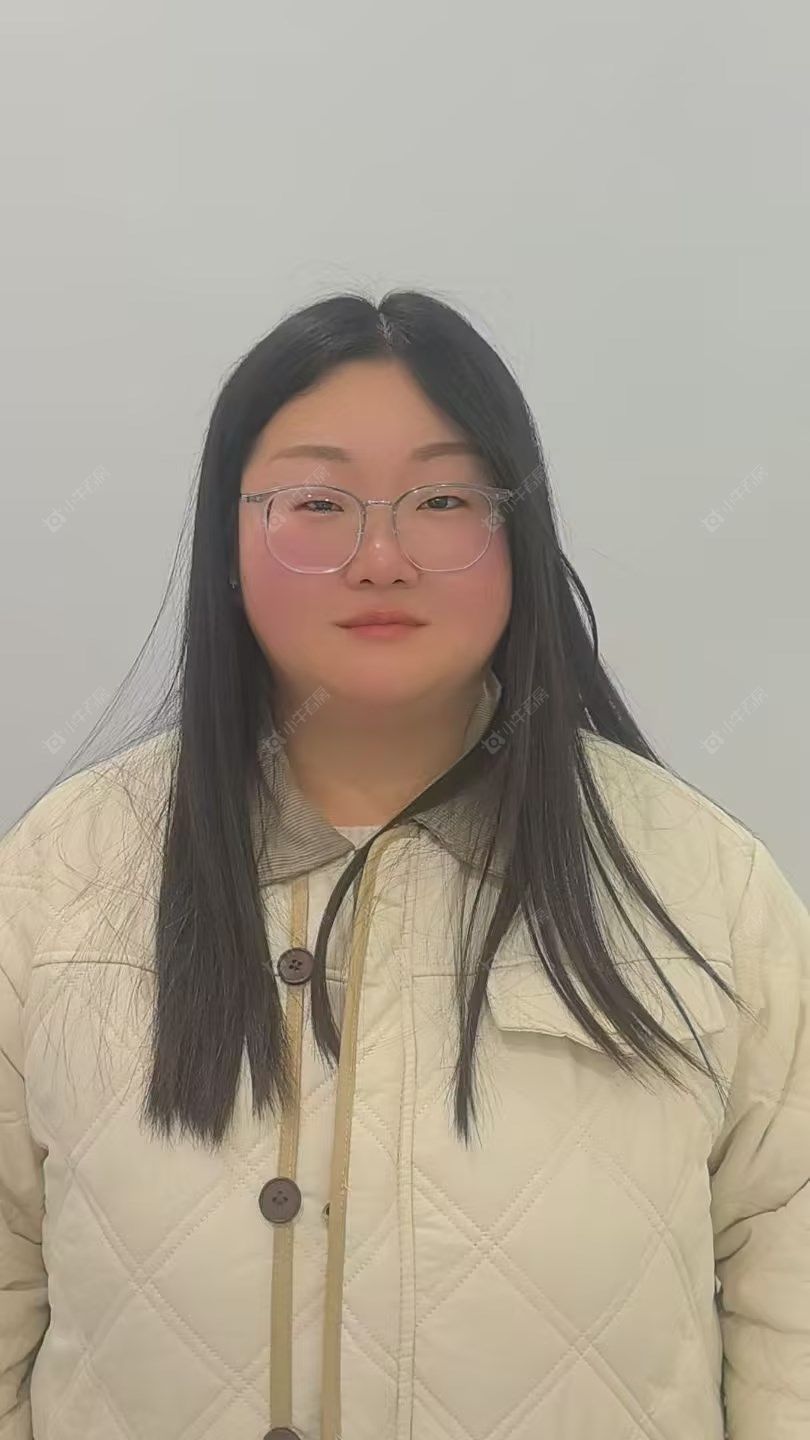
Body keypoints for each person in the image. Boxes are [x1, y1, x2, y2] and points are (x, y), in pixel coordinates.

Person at [0, 290, 808, 1440]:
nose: (380, 558)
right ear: (229, 544)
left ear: (518, 534)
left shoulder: (699, 883)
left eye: (442, 501)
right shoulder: (59, 876)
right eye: (317, 504)